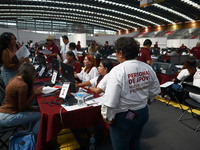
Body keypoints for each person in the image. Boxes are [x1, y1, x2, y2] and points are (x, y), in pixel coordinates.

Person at [101, 37, 160, 150]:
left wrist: (107, 116)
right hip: (143, 112)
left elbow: (110, 100)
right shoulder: (147, 67)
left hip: (124, 116)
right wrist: (150, 99)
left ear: (121, 53)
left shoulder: (118, 70)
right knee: (135, 143)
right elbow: (155, 89)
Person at [0, 63, 43, 138]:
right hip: (8, 116)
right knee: (41, 116)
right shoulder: (22, 85)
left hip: (4, 113)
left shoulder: (15, 78)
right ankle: (32, 140)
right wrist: (34, 94)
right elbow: (22, 108)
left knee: (39, 109)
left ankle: (30, 134)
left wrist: (34, 109)